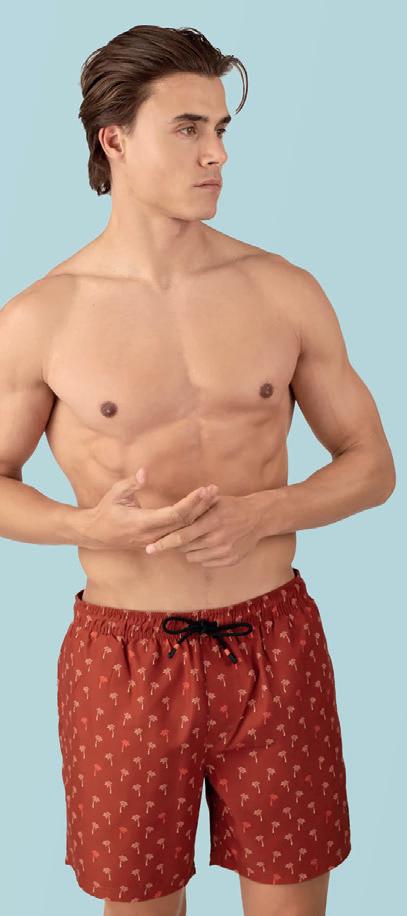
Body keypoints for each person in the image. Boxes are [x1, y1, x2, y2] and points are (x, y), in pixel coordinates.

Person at [0, 23, 396, 916]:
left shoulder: (282, 289)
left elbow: (372, 465)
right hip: (124, 658)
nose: (217, 153)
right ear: (113, 139)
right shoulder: (41, 318)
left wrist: (265, 512)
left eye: (220, 129)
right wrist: (82, 526)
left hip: (276, 644)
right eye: (187, 128)